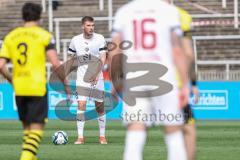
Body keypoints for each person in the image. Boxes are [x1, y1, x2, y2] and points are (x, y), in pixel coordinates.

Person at [109, 0, 189, 160]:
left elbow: (114, 50)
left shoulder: (124, 11)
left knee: (135, 129)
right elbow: (177, 49)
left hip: (134, 77)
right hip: (164, 76)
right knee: (173, 129)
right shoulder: (169, 11)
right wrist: (186, 83)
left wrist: (115, 80)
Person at [0, 3, 69, 160]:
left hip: (19, 88)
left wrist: (11, 79)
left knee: (28, 132)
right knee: (37, 130)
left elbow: (1, 65)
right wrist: (65, 83)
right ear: (40, 16)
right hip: (36, 87)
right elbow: (56, 63)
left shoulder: (11, 36)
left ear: (23, 16)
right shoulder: (44, 35)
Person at [68, 16, 108, 144]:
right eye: (88, 25)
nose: (91, 28)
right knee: (81, 104)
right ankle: (80, 137)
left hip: (97, 77)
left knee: (99, 106)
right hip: (82, 78)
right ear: (82, 26)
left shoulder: (100, 38)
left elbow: (103, 57)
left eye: (93, 25)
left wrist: (97, 74)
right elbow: (71, 56)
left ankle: (102, 136)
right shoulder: (75, 40)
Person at [177, 7, 199, 160]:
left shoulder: (130, 13)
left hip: (143, 83)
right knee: (187, 129)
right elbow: (188, 54)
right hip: (173, 85)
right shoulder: (181, 15)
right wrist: (193, 84)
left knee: (137, 130)